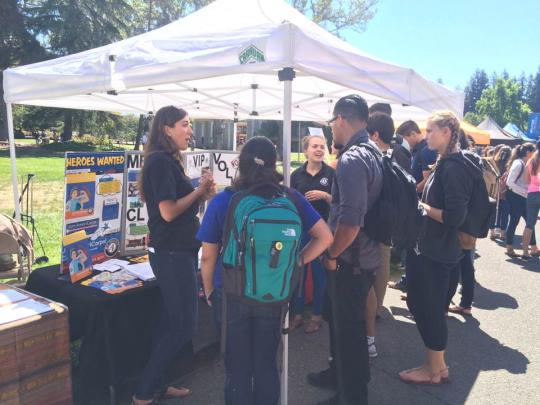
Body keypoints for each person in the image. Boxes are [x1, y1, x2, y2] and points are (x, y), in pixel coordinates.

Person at [197, 136, 332, 405]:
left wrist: (210, 291)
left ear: (240, 164)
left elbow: (208, 257)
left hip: (232, 294)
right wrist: (297, 261)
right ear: (275, 164)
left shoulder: (226, 200)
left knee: (237, 368)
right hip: (275, 292)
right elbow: (326, 237)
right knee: (267, 364)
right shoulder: (290, 197)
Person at [132, 106, 216, 405]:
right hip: (171, 254)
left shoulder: (169, 161)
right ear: (167, 129)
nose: (189, 130)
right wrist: (198, 191)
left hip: (179, 251)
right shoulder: (159, 163)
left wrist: (201, 193)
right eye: (185, 124)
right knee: (184, 325)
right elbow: (167, 213)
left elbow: (177, 206)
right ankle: (143, 392)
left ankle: (155, 384)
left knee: (171, 323)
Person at [308, 94, 383, 405]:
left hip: (350, 260)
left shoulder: (352, 160)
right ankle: (340, 374)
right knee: (341, 324)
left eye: (331, 124)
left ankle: (352, 395)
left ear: (340, 120)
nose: (330, 133)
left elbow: (350, 223)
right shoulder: (373, 151)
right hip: (363, 257)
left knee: (349, 332)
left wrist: (332, 254)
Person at [400, 111, 472, 385]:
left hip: (437, 251)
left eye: (430, 130)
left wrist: (423, 207)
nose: (425, 135)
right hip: (436, 249)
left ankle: (432, 369)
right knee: (426, 305)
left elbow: (455, 216)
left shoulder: (452, 167)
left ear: (447, 132)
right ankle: (437, 366)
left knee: (427, 306)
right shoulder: (447, 163)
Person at [289, 135, 334, 334]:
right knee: (298, 273)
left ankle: (316, 316)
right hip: (301, 232)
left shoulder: (331, 174)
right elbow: (289, 201)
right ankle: (297, 314)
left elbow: (340, 203)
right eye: (314, 146)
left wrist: (324, 196)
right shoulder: (296, 174)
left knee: (319, 275)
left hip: (322, 234)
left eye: (322, 147)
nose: (318, 150)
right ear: (305, 150)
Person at [388, 120, 437, 293]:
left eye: (405, 138)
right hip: (417, 203)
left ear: (413, 134)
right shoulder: (421, 150)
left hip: (419, 203)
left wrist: (409, 190)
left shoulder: (425, 151)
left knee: (414, 246)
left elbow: (426, 180)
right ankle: (409, 281)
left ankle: (412, 284)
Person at [364, 112, 398, 358]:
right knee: (381, 268)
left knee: (368, 275)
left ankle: (370, 319)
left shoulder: (378, 159)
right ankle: (375, 311)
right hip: (386, 226)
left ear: (374, 134)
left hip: (374, 226)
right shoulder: (398, 157)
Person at [504, 143, 538, 258]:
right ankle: (509, 247)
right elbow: (509, 182)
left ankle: (533, 247)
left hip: (523, 196)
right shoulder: (518, 163)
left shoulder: (526, 163)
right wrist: (524, 191)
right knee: (514, 221)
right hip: (515, 196)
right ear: (528, 152)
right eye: (533, 151)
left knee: (530, 222)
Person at [521, 140, 540, 259]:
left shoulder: (531, 161)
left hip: (532, 194)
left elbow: (526, 180)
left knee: (529, 224)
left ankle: (525, 252)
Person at [489, 146, 512, 240]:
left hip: (494, 191)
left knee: (493, 212)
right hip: (506, 192)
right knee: (505, 213)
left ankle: (492, 233)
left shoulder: (494, 163)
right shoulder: (510, 165)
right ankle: (502, 234)